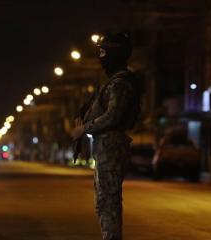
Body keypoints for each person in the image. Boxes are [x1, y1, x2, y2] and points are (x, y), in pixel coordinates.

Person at [71, 32, 142, 240]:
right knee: (104, 201)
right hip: (105, 147)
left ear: (115, 55)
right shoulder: (115, 81)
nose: (101, 58)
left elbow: (112, 116)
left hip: (112, 146)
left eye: (104, 53)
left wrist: (84, 128)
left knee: (108, 201)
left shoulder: (120, 83)